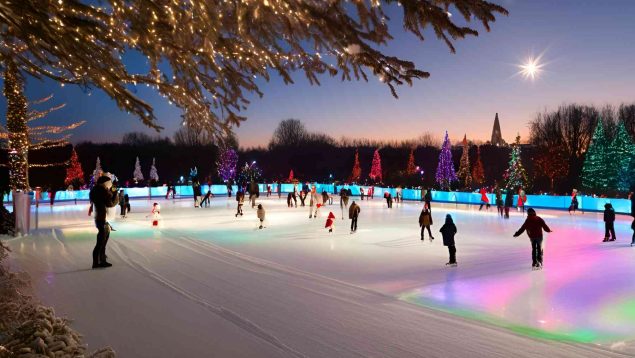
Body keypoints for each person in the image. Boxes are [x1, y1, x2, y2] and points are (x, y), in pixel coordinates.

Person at [89, 176, 119, 269]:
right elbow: (110, 204)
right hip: (102, 219)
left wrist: (111, 192)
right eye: (109, 183)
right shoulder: (101, 191)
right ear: (105, 183)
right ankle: (98, 262)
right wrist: (114, 193)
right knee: (101, 242)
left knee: (102, 242)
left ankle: (101, 260)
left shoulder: (96, 190)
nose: (110, 185)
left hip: (100, 218)